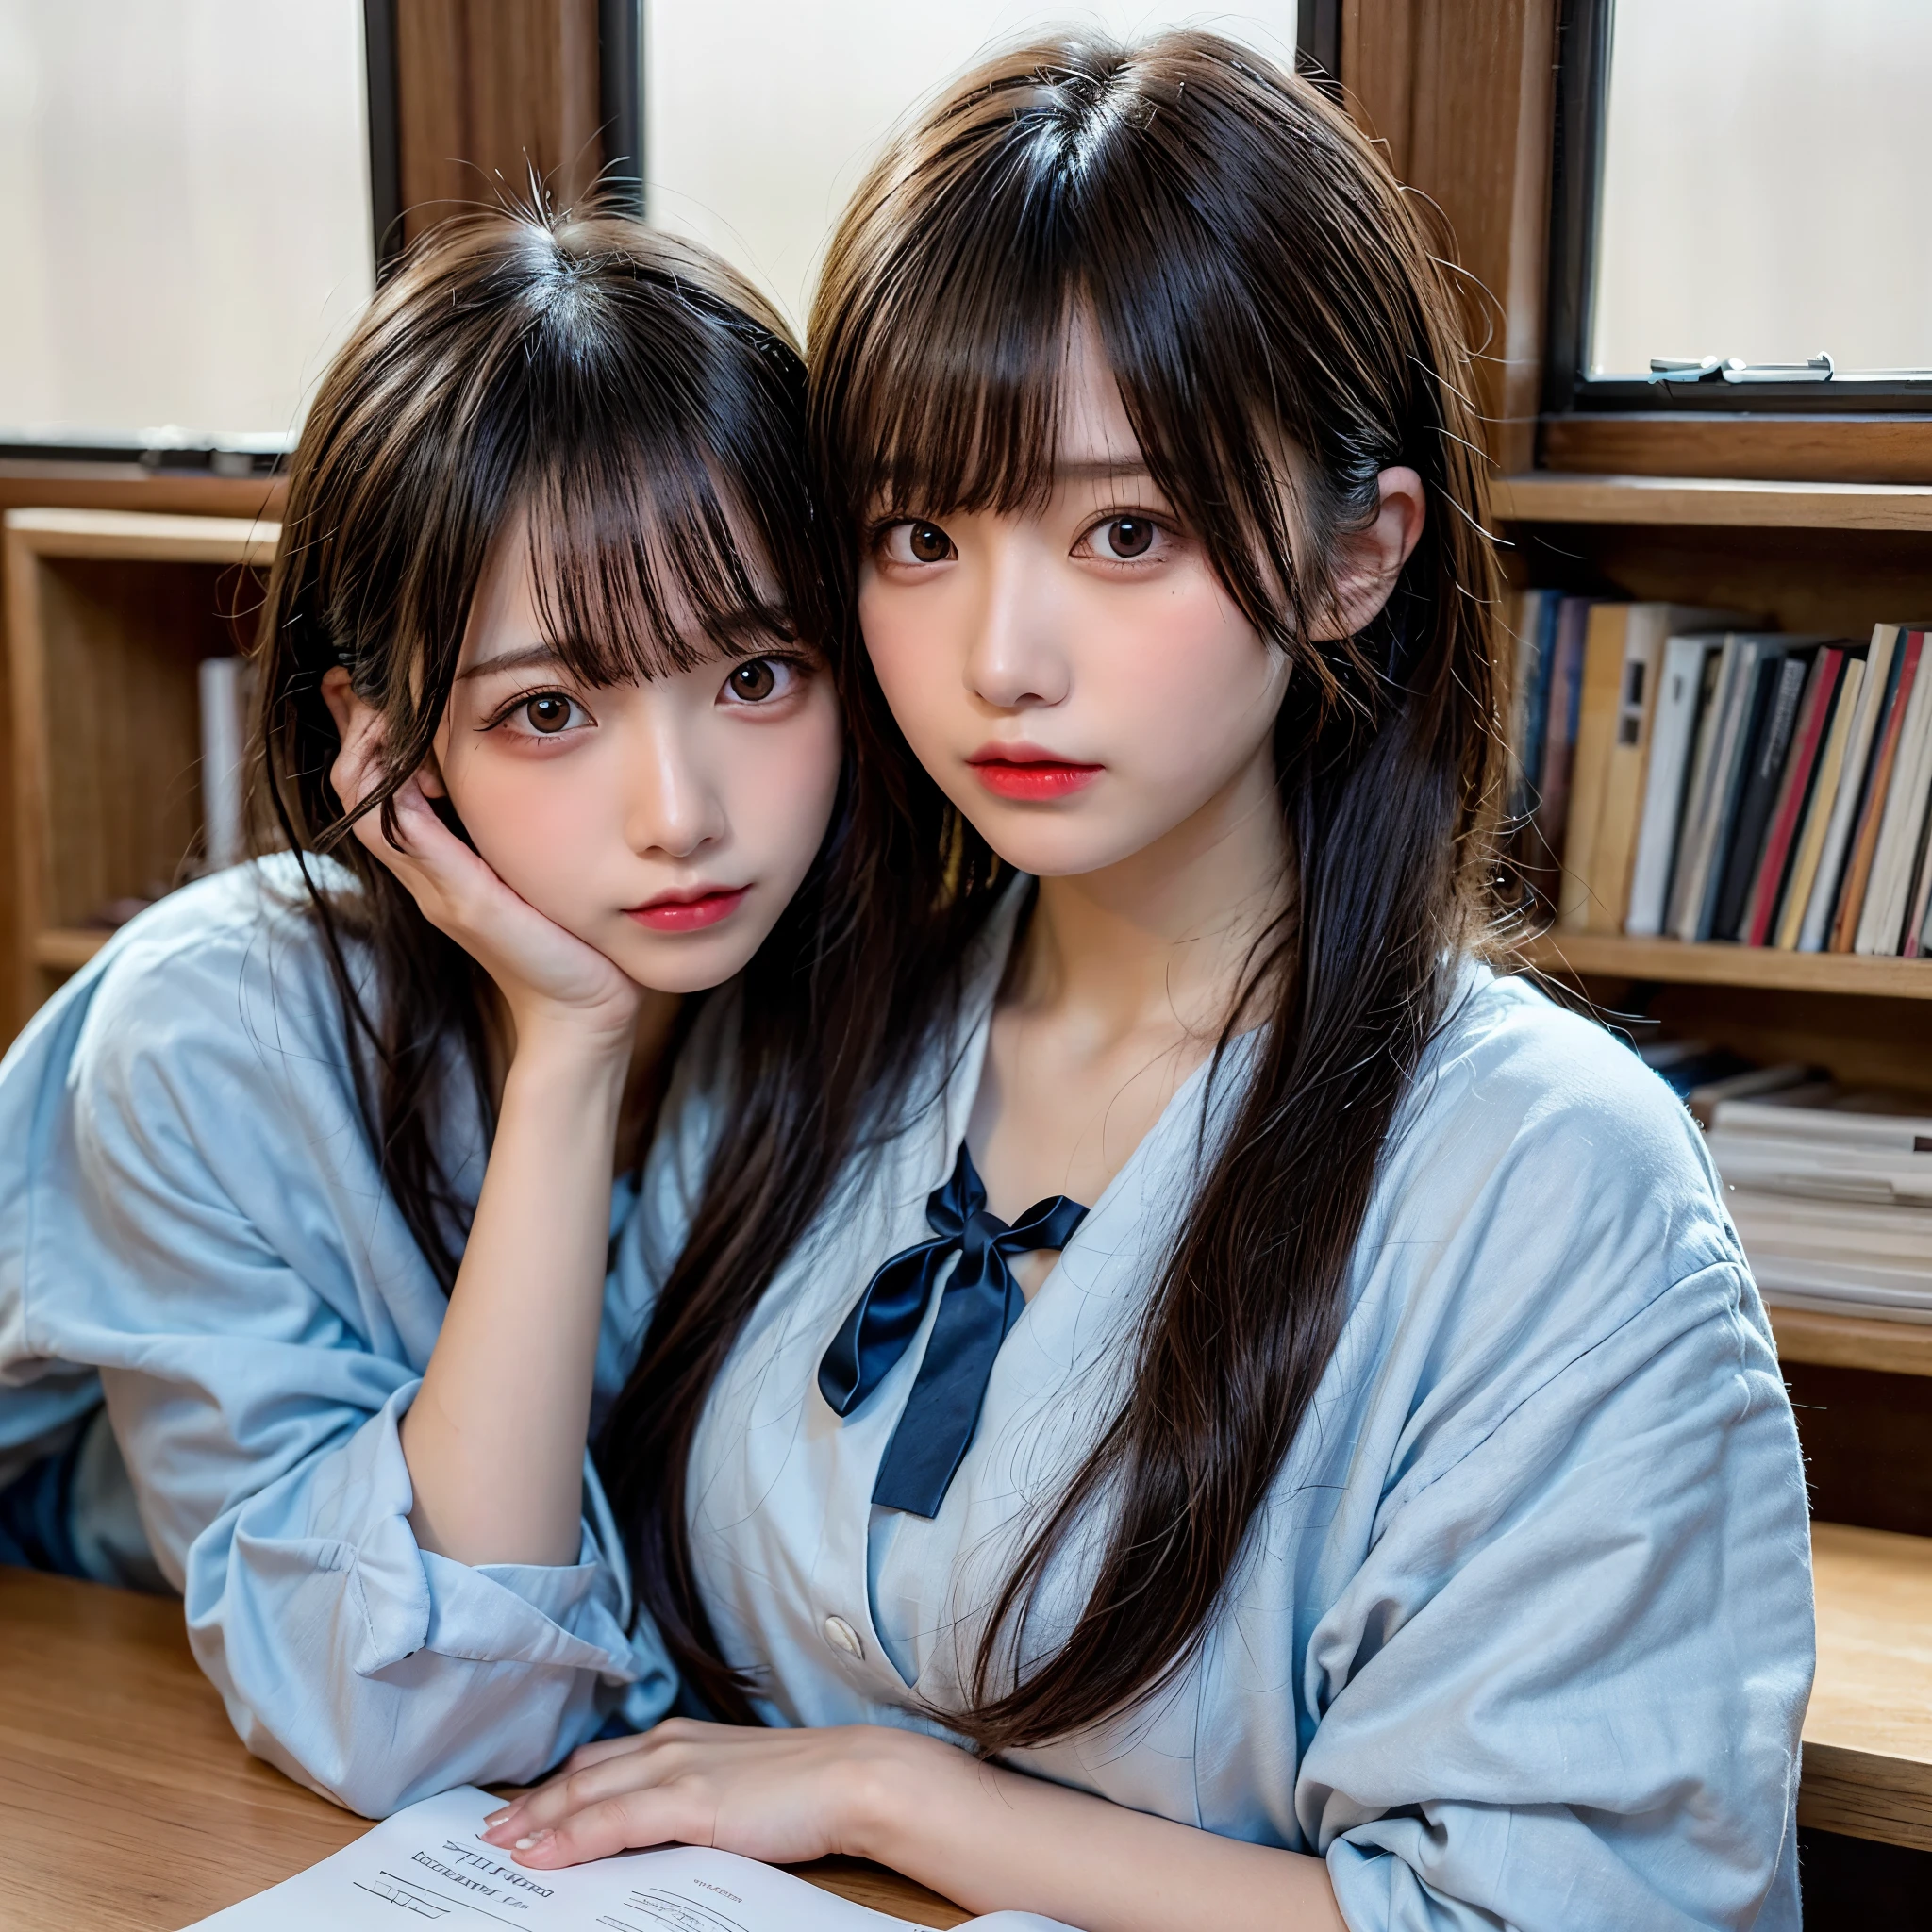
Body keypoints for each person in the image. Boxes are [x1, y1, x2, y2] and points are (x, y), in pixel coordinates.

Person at [478, 34, 1813, 1932]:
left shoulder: (1549, 1184)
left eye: (1127, 532)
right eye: (920, 534)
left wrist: (891, 1791)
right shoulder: (807, 1041)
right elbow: (537, 1667)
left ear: (1361, 548)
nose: (1000, 657)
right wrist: (567, 1042)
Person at [0, 208, 853, 1815]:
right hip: (104, 1701)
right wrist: (572, 1051)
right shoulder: (211, 1036)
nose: (682, 814)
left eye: (754, 675)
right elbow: (422, 1727)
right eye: (549, 710)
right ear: (381, 738)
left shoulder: (909, 1007)